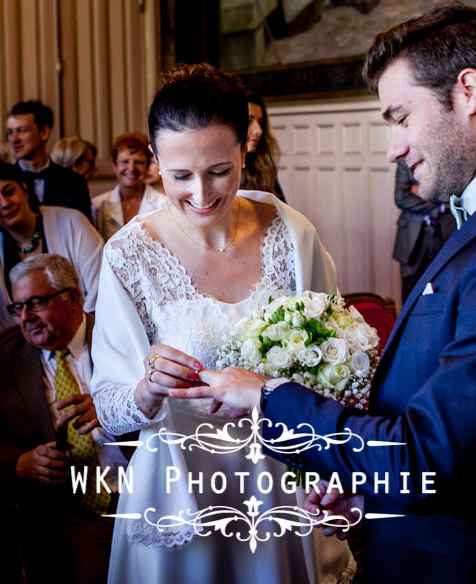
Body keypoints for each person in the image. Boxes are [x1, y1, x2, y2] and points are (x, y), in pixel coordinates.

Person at [197, 4, 476, 581]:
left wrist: (270, 398)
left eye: (400, 117)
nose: (394, 147)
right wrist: (376, 501)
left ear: (469, 92)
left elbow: (429, 456)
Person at [89, 64, 354, 583]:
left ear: (244, 150)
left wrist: (328, 466)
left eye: (219, 170)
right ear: (154, 158)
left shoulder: (290, 231)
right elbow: (109, 408)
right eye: (179, 175)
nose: (201, 193)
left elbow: (339, 362)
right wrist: (147, 390)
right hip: (182, 490)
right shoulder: (129, 255)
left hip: (281, 480)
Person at [0, 254, 125, 584]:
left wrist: (114, 411)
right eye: (18, 308)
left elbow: (171, 402)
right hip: (78, 512)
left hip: (147, 487)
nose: (26, 317)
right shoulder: (2, 359)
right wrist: (20, 461)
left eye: (36, 303)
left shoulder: (120, 332)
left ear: (73, 299)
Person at [0, 163, 103, 345]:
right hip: (26, 353)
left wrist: (80, 338)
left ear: (25, 189)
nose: (5, 203)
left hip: (87, 340)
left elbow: (101, 290)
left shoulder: (72, 222)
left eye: (9, 191)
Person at [7, 100, 92, 220]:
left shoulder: (74, 182)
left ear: (44, 132)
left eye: (21, 131)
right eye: (9, 132)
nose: (13, 139)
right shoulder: (5, 182)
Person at [392, 161, 455, 300]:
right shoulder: (405, 161)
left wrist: (418, 190)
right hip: (413, 236)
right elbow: (401, 197)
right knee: (410, 291)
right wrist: (439, 208)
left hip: (445, 231)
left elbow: (455, 192)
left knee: (445, 285)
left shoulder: (446, 156)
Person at [90, 133, 167, 242]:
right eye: (125, 161)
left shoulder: (164, 205)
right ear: (114, 166)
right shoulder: (97, 206)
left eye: (139, 162)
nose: (131, 168)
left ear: (147, 166)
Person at [241, 93, 285, 200]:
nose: (259, 131)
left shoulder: (264, 168)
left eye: (260, 122)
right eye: (249, 121)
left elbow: (283, 213)